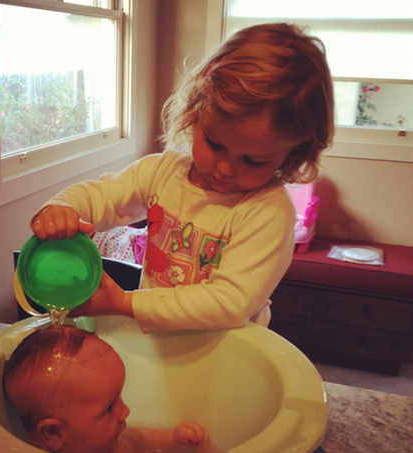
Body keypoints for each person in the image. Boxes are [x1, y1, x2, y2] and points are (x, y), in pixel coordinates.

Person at [30, 23, 334, 333]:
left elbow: (229, 303)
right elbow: (104, 196)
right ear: (194, 112)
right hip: (158, 343)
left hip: (224, 356)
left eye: (254, 160)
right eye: (215, 143)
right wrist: (64, 208)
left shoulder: (267, 211)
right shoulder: (161, 172)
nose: (226, 169)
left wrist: (124, 303)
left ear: (293, 152)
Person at [3, 325, 208, 453]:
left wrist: (172, 437)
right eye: (109, 407)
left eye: (119, 397)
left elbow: (140, 441)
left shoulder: (107, 441)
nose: (126, 411)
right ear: (54, 433)